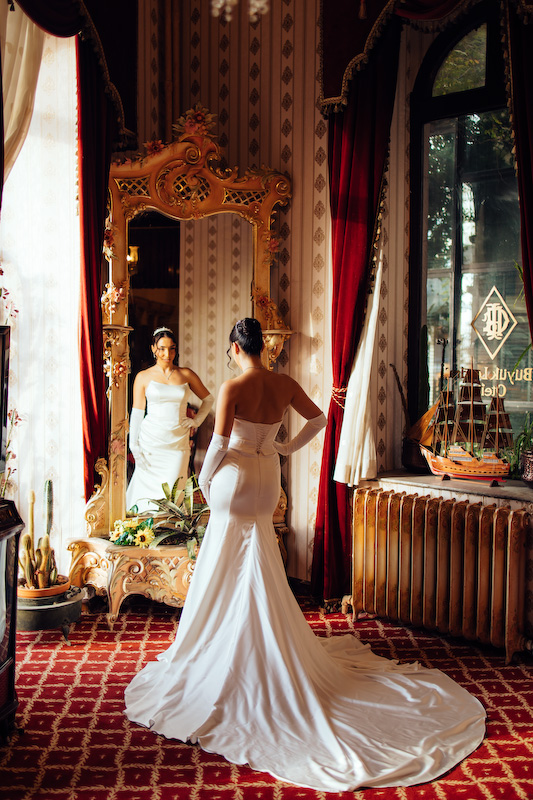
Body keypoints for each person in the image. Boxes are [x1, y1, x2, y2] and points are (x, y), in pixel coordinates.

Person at [124, 318, 486, 792]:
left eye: (231, 351)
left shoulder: (233, 387)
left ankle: (228, 645)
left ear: (236, 348)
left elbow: (218, 446)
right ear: (261, 347)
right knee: (258, 558)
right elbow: (318, 421)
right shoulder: (284, 383)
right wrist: (283, 447)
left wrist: (204, 484)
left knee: (225, 561)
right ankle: (259, 639)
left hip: (234, 479)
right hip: (267, 481)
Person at [126, 327, 213, 512]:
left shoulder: (186, 374)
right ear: (153, 348)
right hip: (151, 442)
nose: (167, 354)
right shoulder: (143, 377)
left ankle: (171, 526)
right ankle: (143, 526)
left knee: (174, 490)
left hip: (177, 443)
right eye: (162, 348)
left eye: (172, 348)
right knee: (147, 495)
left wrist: (196, 421)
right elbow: (137, 413)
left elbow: (208, 399)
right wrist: (134, 445)